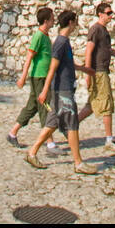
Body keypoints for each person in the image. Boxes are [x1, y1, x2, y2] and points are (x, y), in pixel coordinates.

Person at [25, 10, 97, 175]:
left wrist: (84, 69)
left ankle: (31, 153)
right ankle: (78, 163)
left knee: (52, 124)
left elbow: (67, 63)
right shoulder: (61, 42)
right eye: (75, 22)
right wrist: (44, 90)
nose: (76, 25)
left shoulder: (64, 41)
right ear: (70, 22)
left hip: (63, 88)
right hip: (62, 90)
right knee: (72, 124)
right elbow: (53, 67)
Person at [76, 2, 115, 152]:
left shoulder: (104, 31)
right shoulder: (95, 29)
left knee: (92, 105)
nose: (111, 16)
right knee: (106, 105)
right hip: (98, 72)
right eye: (109, 13)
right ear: (100, 14)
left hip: (101, 71)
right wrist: (88, 73)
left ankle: (70, 126)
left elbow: (108, 50)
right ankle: (109, 139)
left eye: (111, 13)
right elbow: (88, 52)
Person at [7, 6, 57, 148]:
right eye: (52, 18)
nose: (54, 20)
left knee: (32, 106)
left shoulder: (45, 36)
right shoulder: (39, 36)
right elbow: (29, 55)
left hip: (43, 76)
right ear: (46, 21)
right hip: (38, 76)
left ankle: (12, 133)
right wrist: (23, 77)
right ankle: (49, 142)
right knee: (45, 105)